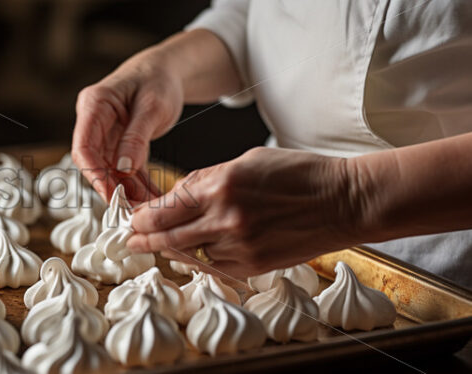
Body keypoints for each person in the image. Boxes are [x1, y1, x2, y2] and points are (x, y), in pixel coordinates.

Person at [71, 0, 472, 288]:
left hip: (450, 270)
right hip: (267, 249)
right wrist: (164, 68)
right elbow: (266, 14)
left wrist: (350, 196)